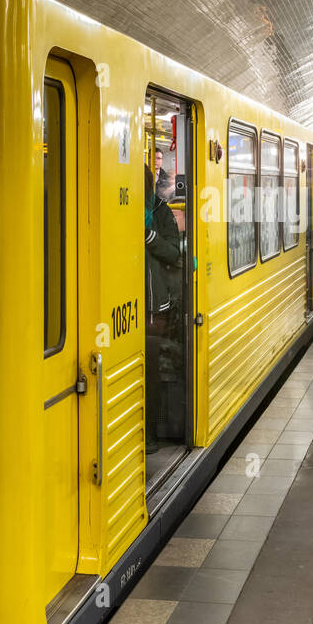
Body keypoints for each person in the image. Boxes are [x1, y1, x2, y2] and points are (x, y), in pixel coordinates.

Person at [144, 164, 181, 453]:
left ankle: (150, 433)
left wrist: (149, 237)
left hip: (153, 306)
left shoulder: (159, 211)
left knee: (150, 370)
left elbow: (174, 252)